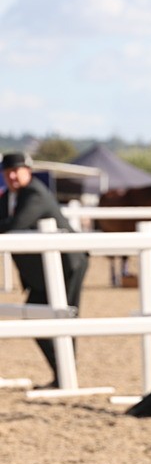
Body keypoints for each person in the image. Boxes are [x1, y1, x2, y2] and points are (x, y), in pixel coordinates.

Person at [0, 151, 89, 389]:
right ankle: (62, 375)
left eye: (16, 171)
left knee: (62, 317)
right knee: (35, 319)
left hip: (68, 266)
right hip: (41, 273)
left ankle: (66, 377)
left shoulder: (35, 194)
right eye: (8, 173)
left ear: (27, 171)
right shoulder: (7, 197)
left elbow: (16, 225)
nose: (12, 177)